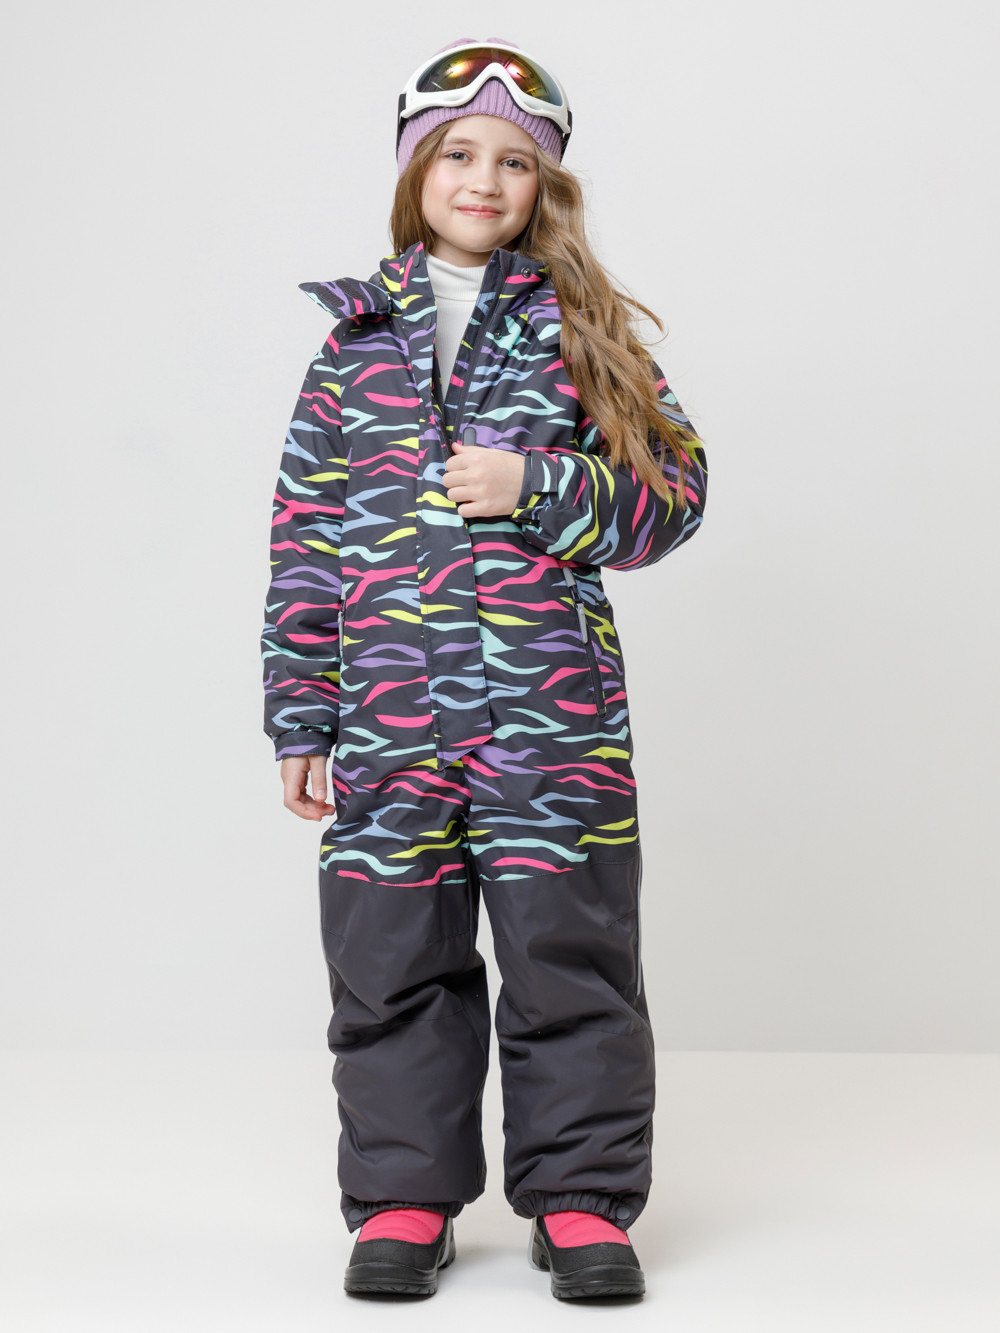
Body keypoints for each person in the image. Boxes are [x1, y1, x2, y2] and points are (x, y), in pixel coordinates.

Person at [260, 37, 708, 1301]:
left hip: (553, 723)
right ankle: (405, 1196)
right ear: (416, 171)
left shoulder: (583, 334)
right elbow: (304, 544)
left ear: (542, 186)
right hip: (389, 722)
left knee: (571, 958)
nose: (482, 179)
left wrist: (539, 484)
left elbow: (673, 497)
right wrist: (301, 715)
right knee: (391, 959)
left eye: (514, 162)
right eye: (457, 153)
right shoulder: (350, 349)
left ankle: (580, 1200)